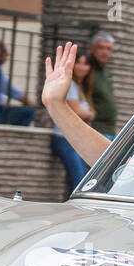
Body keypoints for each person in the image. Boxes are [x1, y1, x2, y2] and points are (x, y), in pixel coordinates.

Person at [50, 51, 96, 190]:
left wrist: (88, 114)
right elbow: (77, 111)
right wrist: (91, 115)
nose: (82, 67)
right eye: (79, 63)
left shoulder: (81, 87)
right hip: (64, 139)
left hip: (76, 139)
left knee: (82, 179)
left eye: (85, 64)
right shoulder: (68, 84)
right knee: (79, 179)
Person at [87, 32, 117, 138]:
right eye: (101, 48)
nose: (105, 52)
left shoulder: (105, 71)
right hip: (95, 129)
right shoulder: (87, 69)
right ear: (92, 49)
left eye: (109, 49)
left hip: (110, 130)